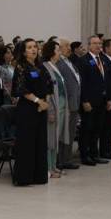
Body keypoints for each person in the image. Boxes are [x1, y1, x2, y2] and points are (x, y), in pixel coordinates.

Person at [11, 38, 51, 185]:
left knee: (40, 142)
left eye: (35, 47)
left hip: (41, 108)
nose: (33, 49)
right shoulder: (21, 67)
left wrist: (44, 102)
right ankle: (24, 178)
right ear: (23, 51)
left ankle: (38, 176)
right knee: (27, 143)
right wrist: (38, 101)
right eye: (29, 47)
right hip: (27, 109)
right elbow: (21, 89)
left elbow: (49, 84)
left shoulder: (41, 66)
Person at [78, 35, 109, 166]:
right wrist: (84, 101)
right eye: (95, 43)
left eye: (99, 43)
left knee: (97, 128)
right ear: (89, 45)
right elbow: (82, 83)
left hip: (101, 100)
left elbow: (105, 81)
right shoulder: (84, 60)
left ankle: (94, 154)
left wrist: (108, 99)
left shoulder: (102, 59)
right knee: (87, 128)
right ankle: (85, 155)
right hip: (89, 102)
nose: (98, 46)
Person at [43, 40, 68, 179]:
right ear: (51, 52)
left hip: (61, 107)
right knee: (50, 140)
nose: (60, 52)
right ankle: (48, 168)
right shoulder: (45, 67)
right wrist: (50, 110)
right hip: (53, 107)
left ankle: (53, 166)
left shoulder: (55, 66)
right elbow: (47, 92)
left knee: (55, 138)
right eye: (58, 50)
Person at [55, 39, 81, 170]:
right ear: (59, 48)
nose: (69, 48)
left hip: (74, 102)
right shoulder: (58, 63)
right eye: (66, 46)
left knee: (70, 133)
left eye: (69, 46)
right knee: (63, 134)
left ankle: (67, 159)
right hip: (65, 104)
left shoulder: (68, 61)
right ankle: (61, 160)